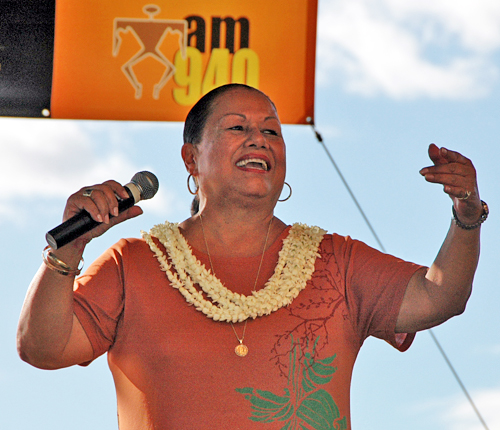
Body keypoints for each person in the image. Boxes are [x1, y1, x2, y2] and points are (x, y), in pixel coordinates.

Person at [17, 84, 487, 430]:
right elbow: (42, 347)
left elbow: (439, 295)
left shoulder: (333, 259)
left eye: (272, 132)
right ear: (190, 158)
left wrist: (466, 215)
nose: (259, 139)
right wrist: (69, 250)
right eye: (238, 128)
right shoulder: (135, 262)